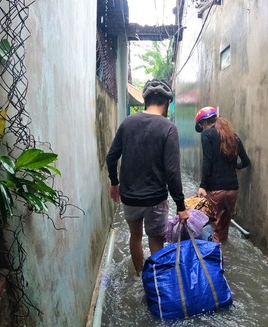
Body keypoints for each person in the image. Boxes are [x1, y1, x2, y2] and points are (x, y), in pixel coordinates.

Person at [106, 79, 189, 275]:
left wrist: (114, 183)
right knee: (156, 239)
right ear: (167, 103)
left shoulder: (128, 123)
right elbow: (172, 172)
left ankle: (139, 276)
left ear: (146, 101)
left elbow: (111, 157)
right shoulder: (168, 128)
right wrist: (181, 206)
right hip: (155, 200)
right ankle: (156, 286)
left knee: (135, 236)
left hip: (129, 197)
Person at [194, 106, 251, 243]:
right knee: (223, 228)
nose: (202, 128)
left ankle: (214, 260)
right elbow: (246, 161)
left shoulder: (207, 135)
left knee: (211, 228)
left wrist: (202, 185)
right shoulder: (233, 137)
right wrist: (232, 166)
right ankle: (223, 255)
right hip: (232, 190)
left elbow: (207, 161)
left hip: (215, 190)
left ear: (204, 122)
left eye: (201, 125)